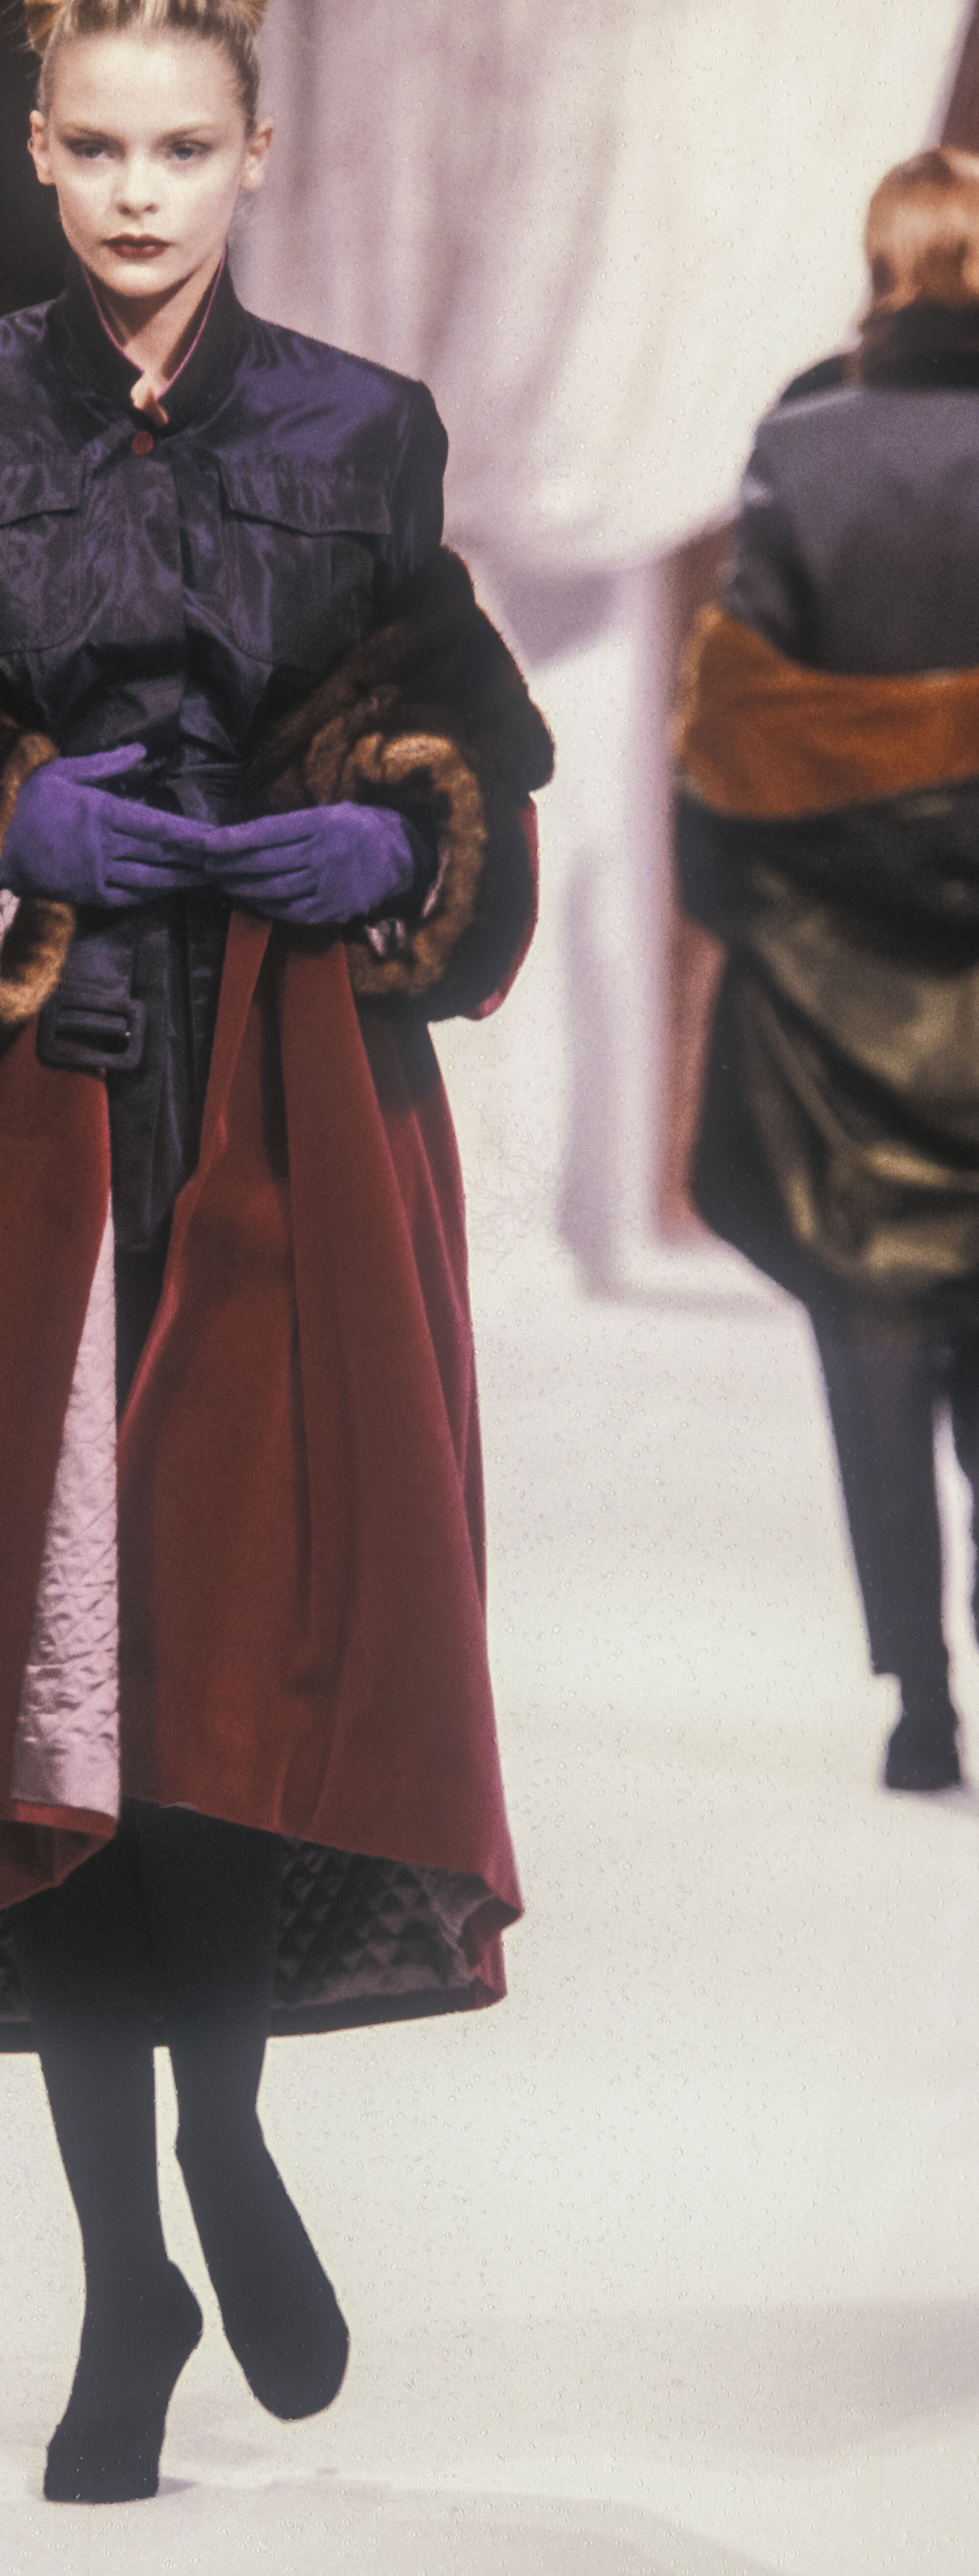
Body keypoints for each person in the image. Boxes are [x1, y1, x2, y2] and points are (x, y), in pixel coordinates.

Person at [0, 0, 550, 2508]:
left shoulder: (364, 433)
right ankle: (118, 2275)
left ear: (258, 154)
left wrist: (401, 841)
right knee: (45, 1688)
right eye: (98, 145)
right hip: (24, 1118)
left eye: (185, 145)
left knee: (243, 1649)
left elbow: (476, 766)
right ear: (36, 148)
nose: (141, 192)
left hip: (284, 1108)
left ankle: (231, 2135)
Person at [678, 144, 979, 1799]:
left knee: (869, 1327)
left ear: (878, 270)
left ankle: (917, 1696)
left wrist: (736, 905)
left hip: (838, 976)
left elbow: (736, 723)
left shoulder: (801, 448)